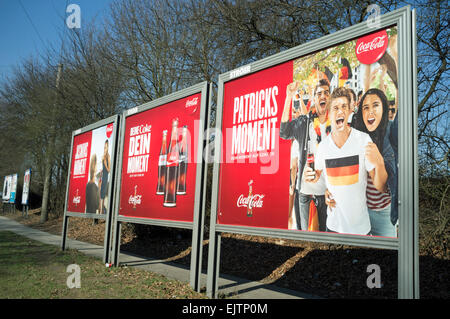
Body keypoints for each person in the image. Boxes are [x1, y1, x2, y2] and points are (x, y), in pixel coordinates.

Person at [309, 87, 388, 235]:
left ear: (349, 111)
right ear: (329, 113)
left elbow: (380, 186)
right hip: (332, 227)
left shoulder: (363, 140)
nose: (340, 111)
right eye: (336, 108)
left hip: (361, 229)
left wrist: (380, 163)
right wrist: (318, 185)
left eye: (344, 107)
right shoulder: (323, 148)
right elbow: (319, 181)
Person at [280, 78, 331, 231]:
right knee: (309, 239)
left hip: (329, 194)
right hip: (306, 194)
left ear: (330, 97)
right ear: (314, 98)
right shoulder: (304, 122)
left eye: (326, 93)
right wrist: (289, 97)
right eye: (319, 93)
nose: (323, 96)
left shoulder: (336, 122)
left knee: (328, 238)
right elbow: (284, 132)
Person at [354, 88, 398, 237]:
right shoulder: (358, 135)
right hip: (361, 211)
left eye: (375, 105)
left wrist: (378, 162)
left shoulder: (392, 131)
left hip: (384, 213)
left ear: (384, 108)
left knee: (387, 256)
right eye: (366, 107)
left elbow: (382, 187)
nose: (370, 111)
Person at [100, 139, 111, 214]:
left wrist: (105, 163)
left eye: (106, 147)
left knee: (104, 193)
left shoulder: (108, 156)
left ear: (108, 148)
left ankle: (104, 210)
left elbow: (109, 169)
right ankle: (101, 210)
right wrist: (101, 170)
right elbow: (103, 168)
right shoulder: (103, 156)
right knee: (100, 193)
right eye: (104, 147)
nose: (105, 149)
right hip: (102, 175)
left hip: (106, 177)